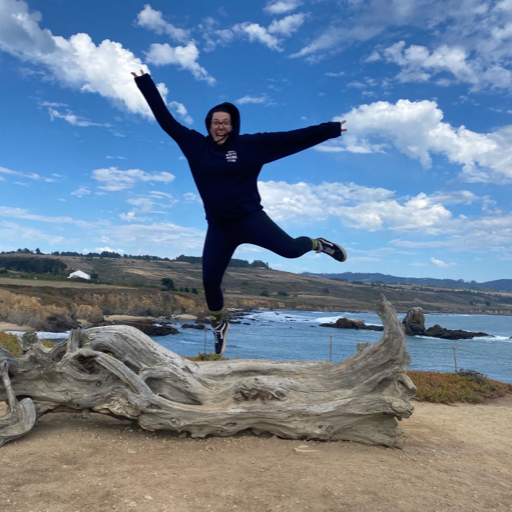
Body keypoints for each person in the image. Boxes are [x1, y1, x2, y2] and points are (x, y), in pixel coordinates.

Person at [132, 70, 348, 355]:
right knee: (209, 280)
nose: (220, 127)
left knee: (291, 250)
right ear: (208, 124)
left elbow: (289, 138)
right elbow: (166, 120)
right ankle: (220, 325)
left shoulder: (250, 146)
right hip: (220, 227)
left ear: (233, 125)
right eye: (215, 122)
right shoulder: (195, 145)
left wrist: (329, 130)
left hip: (250, 219)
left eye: (226, 122)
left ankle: (318, 244)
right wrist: (145, 83)